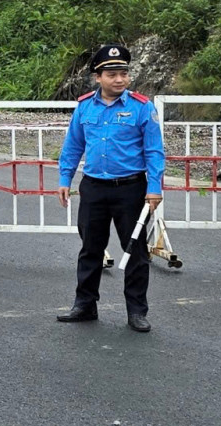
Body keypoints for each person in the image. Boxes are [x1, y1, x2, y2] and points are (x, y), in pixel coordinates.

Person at [55, 43, 165, 332]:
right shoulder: (84, 106)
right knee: (90, 249)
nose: (119, 79)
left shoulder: (141, 107)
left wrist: (154, 188)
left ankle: (137, 312)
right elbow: (73, 146)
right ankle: (85, 305)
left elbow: (154, 151)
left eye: (123, 73)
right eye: (112, 74)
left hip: (131, 189)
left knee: (136, 253)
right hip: (93, 187)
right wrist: (65, 179)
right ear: (97, 77)